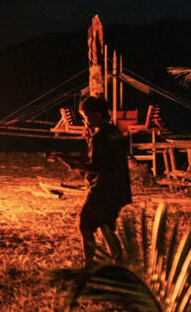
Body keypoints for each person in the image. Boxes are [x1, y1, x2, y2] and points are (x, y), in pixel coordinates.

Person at [56, 96, 132, 265]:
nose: (84, 121)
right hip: (118, 188)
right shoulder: (115, 133)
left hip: (101, 190)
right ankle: (120, 264)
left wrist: (74, 165)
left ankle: (90, 265)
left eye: (86, 116)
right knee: (106, 227)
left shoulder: (99, 137)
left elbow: (96, 166)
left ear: (97, 114)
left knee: (86, 225)